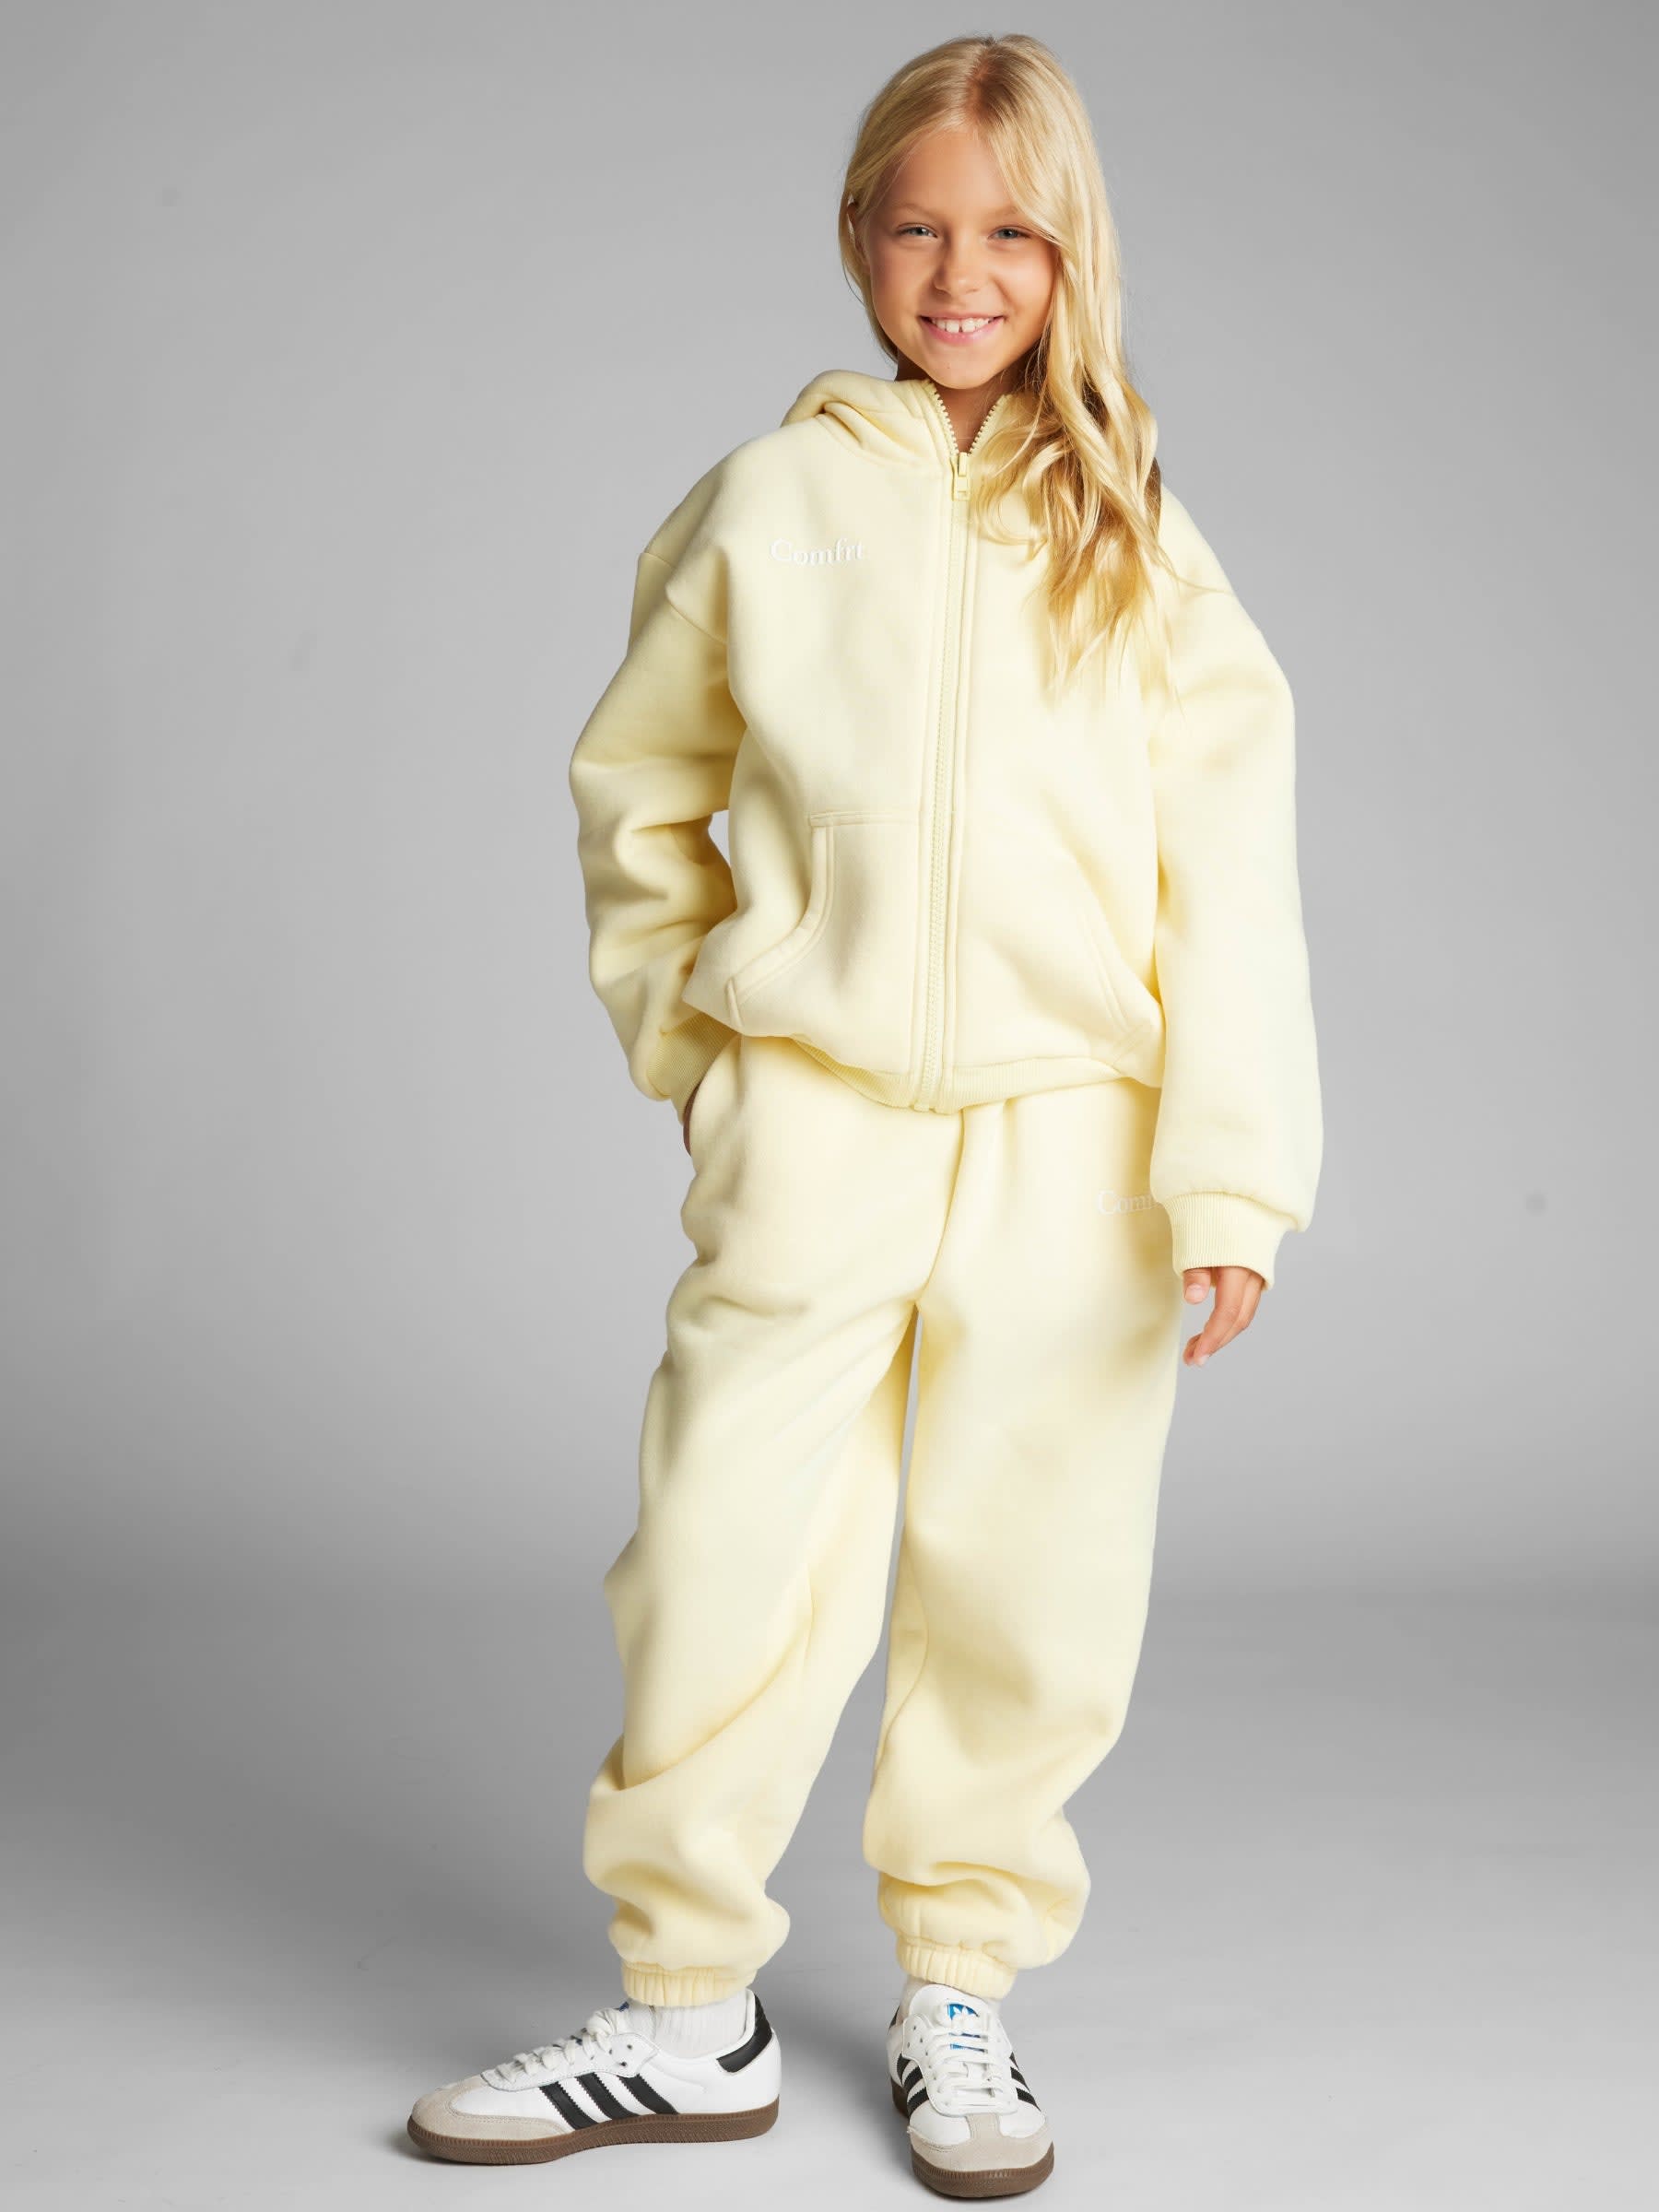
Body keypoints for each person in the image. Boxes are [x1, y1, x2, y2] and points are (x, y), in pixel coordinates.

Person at [408, 30, 1322, 2198]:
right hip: (814, 1119)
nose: (962, 273)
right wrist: (699, 1049)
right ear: (853, 239)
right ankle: (685, 2008)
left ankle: (960, 1987)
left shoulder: (1137, 533)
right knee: (720, 1548)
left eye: (1012, 234)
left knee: (1034, 1575)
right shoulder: (767, 504)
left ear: (1075, 255)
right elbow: (638, 793)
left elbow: (1231, 865)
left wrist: (1230, 1178)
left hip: (1076, 1146)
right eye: (918, 227)